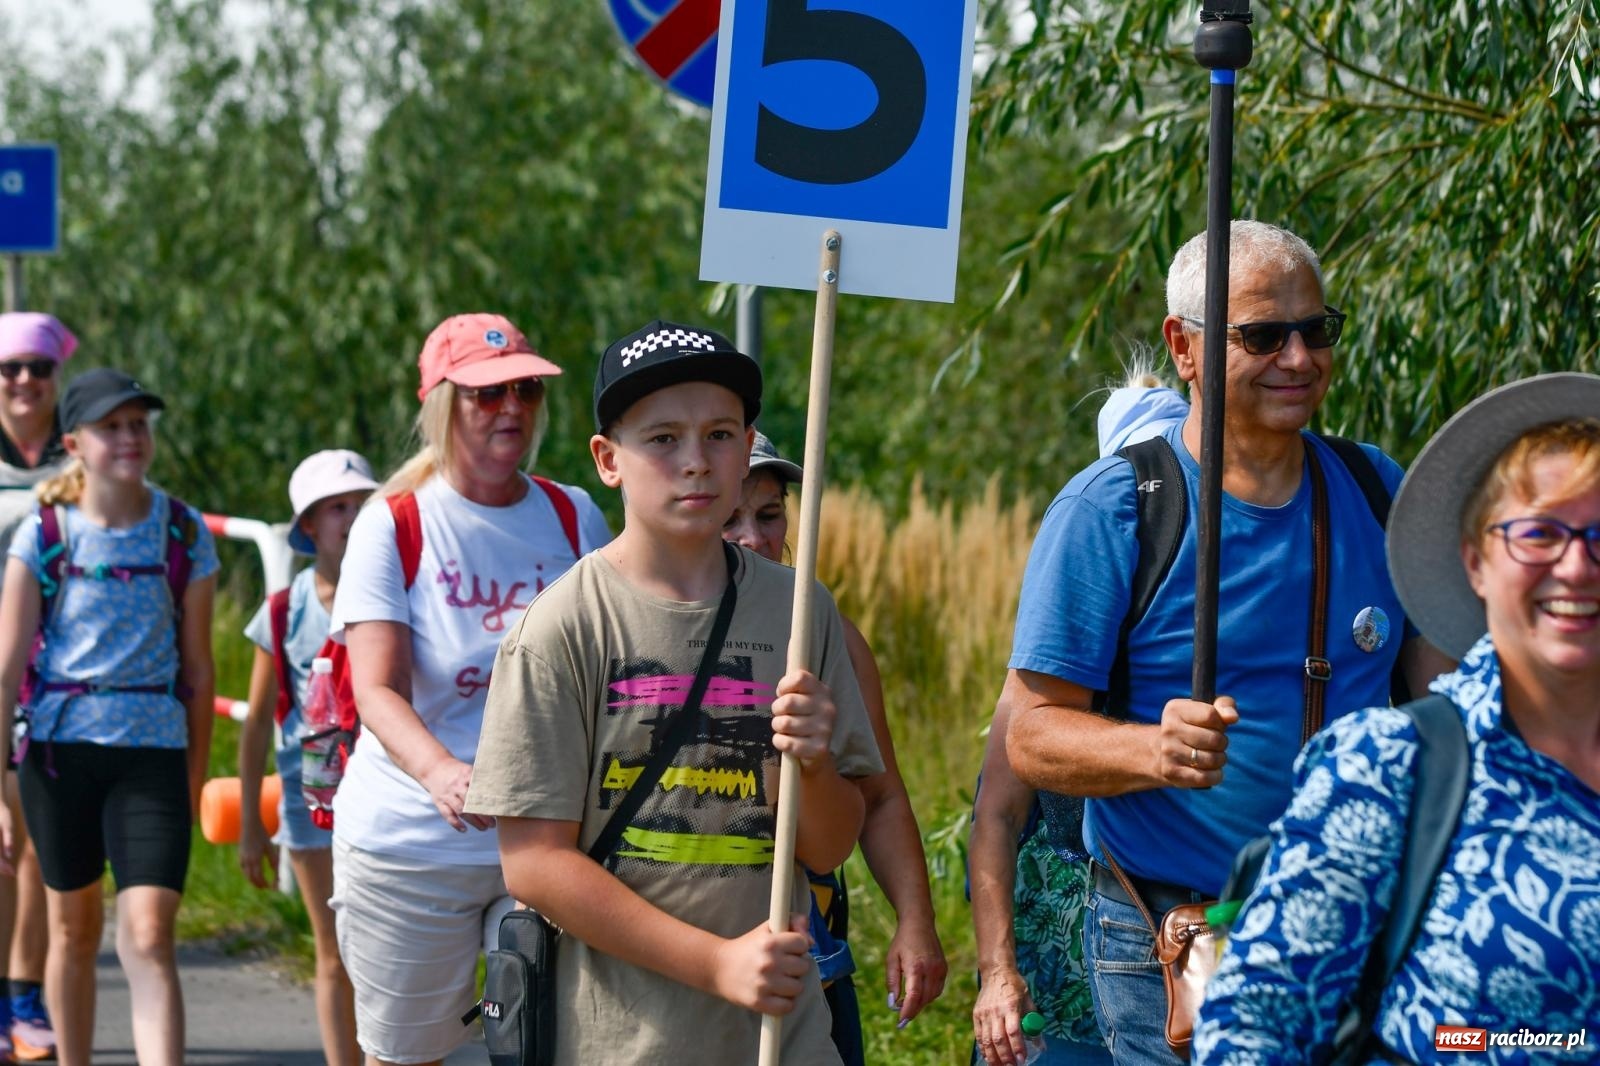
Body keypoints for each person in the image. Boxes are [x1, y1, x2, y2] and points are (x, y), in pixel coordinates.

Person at [1002, 220, 1452, 1065]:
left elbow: (1445, 698)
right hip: (1177, 937)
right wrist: (1153, 750)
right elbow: (1029, 735)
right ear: (1184, 347)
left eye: (1316, 329)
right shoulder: (1115, 508)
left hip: (1351, 925)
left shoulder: (1375, 487)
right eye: (1264, 335)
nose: (1299, 358)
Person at [466, 320, 883, 1064]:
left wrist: (815, 763)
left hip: (780, 1040)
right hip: (623, 1043)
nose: (696, 462)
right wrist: (717, 964)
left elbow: (828, 845)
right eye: (663, 439)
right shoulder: (561, 628)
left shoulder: (801, 612)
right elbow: (533, 863)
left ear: (747, 448)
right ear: (608, 459)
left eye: (720, 435)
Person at [1194, 372, 1600, 1063]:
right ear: (1476, 562)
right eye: (1538, 534)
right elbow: (1254, 1029)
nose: (1577, 565)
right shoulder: (1393, 767)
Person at [327, 312, 608, 1066]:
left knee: (552, 1048)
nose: (511, 407)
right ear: (442, 405)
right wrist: (441, 772)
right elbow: (376, 689)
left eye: (526, 390)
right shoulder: (394, 523)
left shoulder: (572, 514)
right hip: (414, 842)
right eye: (487, 394)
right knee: (410, 1056)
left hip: (545, 836)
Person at [0, 368, 219, 1066]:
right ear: (74, 444)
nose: (130, 437)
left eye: (138, 424)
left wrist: (193, 779)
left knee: (150, 934)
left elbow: (199, 672)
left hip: (152, 756)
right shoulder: (42, 535)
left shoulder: (183, 531)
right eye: (111, 427)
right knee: (73, 931)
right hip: (59, 757)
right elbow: (5, 670)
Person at [970, 369, 1184, 1066]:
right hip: (1058, 968)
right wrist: (998, 974)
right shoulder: (1058, 646)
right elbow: (996, 815)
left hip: (1183, 949)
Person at [722, 431, 947, 1060]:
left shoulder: (828, 635)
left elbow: (880, 795)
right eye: (730, 518)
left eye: (770, 515)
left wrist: (915, 920)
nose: (754, 537)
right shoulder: (640, 630)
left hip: (808, 951)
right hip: (684, 960)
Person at [237, 449, 378, 1066]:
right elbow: (254, 725)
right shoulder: (285, 610)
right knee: (333, 950)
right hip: (310, 799)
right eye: (337, 507)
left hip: (387, 795)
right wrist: (251, 822)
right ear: (309, 526)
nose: (352, 517)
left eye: (362, 504)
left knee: (386, 951)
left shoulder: (400, 591)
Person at [0, 313, 74, 1063]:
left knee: (28, 845)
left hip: (52, 675)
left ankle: (23, 1000)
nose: (25, 381)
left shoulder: (81, 456)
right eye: (9, 368)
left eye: (39, 368)